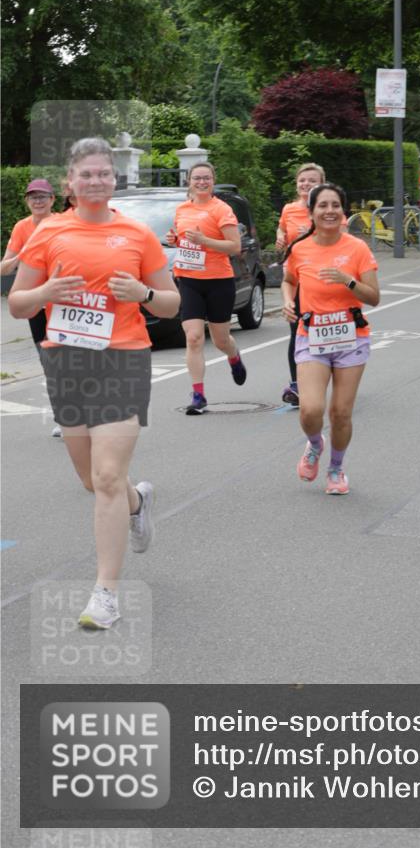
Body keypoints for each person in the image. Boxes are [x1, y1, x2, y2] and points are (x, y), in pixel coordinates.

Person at [9, 137, 180, 628]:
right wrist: (45, 290)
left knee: (107, 476)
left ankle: (105, 592)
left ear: (114, 180)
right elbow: (19, 304)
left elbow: (171, 304)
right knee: (93, 480)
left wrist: (144, 292)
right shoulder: (47, 234)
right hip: (66, 364)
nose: (96, 181)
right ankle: (138, 501)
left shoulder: (137, 235)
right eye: (87, 174)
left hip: (123, 360)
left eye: (104, 173)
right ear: (71, 182)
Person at [281, 183, 379, 495]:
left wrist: (348, 281)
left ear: (343, 212)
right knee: (310, 409)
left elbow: (374, 297)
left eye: (335, 205)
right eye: (322, 205)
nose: (329, 211)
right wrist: (287, 300)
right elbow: (287, 279)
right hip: (312, 337)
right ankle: (314, 444)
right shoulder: (300, 249)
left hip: (351, 337)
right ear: (311, 212)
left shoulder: (357, 249)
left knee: (340, 413)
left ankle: (336, 469)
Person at [166, 161, 246, 414]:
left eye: (206, 178)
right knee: (194, 337)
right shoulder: (181, 210)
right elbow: (183, 238)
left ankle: (233, 356)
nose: (201, 182)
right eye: (197, 178)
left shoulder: (221, 209)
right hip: (188, 279)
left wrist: (204, 240)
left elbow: (234, 247)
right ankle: (198, 395)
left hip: (218, 281)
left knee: (221, 339)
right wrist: (174, 239)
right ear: (189, 181)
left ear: (213, 181)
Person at [1, 178, 62, 436]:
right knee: (48, 360)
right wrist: (22, 254)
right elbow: (4, 268)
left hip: (63, 300)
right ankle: (63, 416)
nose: (38, 201)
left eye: (43, 196)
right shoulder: (22, 227)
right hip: (36, 299)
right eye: (33, 197)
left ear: (52, 200)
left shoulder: (63, 223)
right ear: (27, 201)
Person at [275, 163, 326, 406]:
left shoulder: (327, 208)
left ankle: (327, 375)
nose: (306, 184)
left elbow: (342, 238)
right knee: (296, 332)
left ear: (321, 184)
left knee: (319, 332)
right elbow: (283, 229)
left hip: (321, 281)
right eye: (302, 180)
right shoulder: (289, 209)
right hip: (295, 279)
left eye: (312, 181)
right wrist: (279, 236)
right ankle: (296, 385)